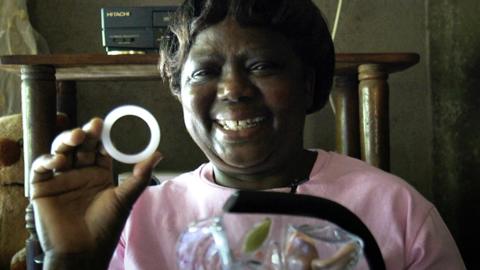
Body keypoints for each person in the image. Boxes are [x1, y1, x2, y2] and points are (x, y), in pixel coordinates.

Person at [30, 0, 465, 269]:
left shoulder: (397, 211)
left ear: (309, 85)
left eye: (262, 66)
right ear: (179, 92)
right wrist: (69, 262)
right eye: (206, 71)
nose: (234, 89)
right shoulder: (133, 221)